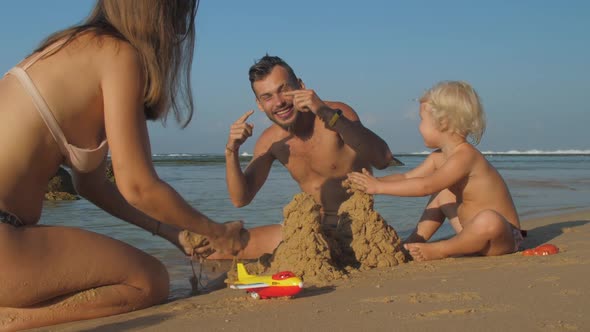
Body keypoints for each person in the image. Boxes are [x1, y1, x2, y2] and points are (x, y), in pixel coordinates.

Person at [0, 0, 245, 329]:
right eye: (181, 14)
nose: (182, 29)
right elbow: (140, 187)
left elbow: (91, 184)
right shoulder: (119, 55)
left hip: (9, 236)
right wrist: (216, 232)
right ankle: (11, 320)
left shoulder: (66, 49)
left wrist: (174, 233)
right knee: (148, 281)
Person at [218, 55, 395, 259]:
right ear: (259, 104)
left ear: (301, 86)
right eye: (267, 97)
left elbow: (383, 158)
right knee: (224, 247)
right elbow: (241, 199)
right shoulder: (270, 141)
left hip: (355, 229)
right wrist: (231, 151)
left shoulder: (336, 114)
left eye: (284, 89)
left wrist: (326, 113)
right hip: (311, 230)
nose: (278, 102)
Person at [347, 81, 524, 262]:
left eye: (422, 119)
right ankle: (414, 241)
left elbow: (426, 186)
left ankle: (441, 249)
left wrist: (378, 188)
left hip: (500, 237)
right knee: (444, 194)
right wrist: (374, 181)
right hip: (468, 233)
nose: (419, 126)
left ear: (443, 123)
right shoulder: (437, 158)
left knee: (488, 219)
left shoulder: (465, 156)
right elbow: (407, 177)